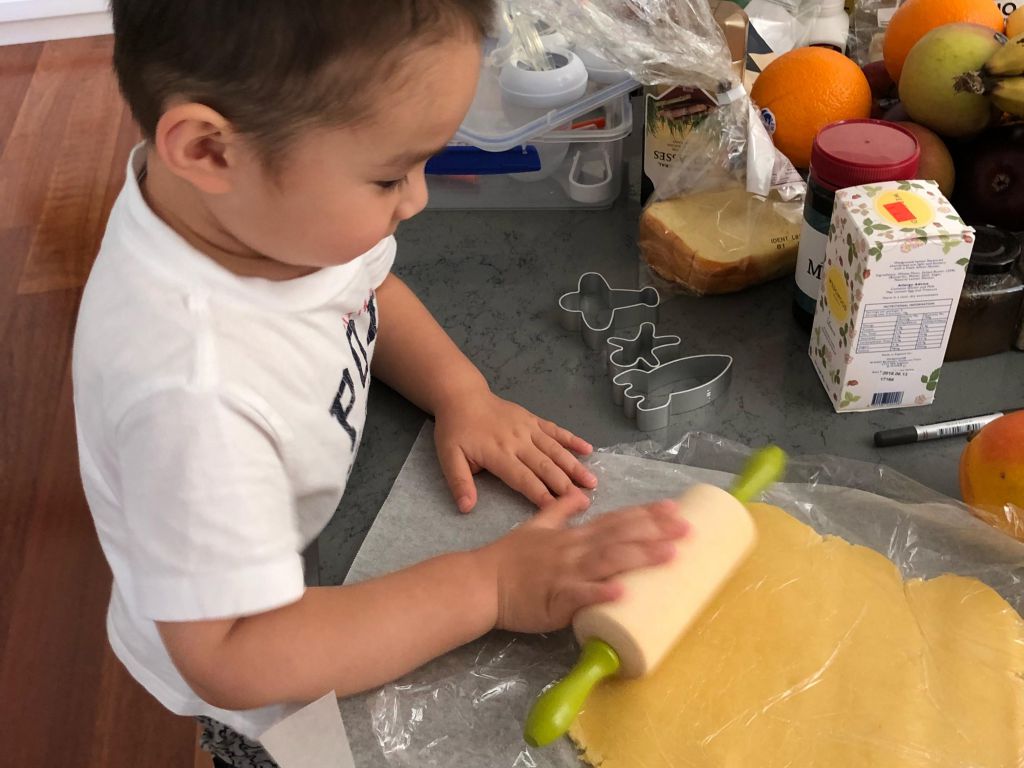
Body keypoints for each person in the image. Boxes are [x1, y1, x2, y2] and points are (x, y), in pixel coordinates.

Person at [72, 2, 689, 765]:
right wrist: (489, 586)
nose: (418, 199)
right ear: (208, 149)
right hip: (264, 675)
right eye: (391, 174)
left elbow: (362, 287)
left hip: (275, 534)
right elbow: (233, 655)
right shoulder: (195, 398)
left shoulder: (258, 221)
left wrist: (460, 390)